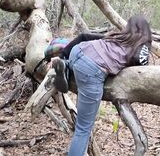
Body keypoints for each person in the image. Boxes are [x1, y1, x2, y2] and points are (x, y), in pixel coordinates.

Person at [51, 15, 152, 156]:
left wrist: (63, 55)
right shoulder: (142, 45)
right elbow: (141, 65)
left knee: (79, 65)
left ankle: (65, 65)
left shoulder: (117, 36)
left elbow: (85, 36)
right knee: (83, 129)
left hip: (78, 51)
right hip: (92, 69)